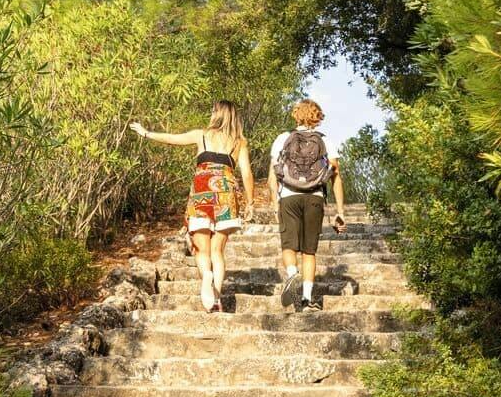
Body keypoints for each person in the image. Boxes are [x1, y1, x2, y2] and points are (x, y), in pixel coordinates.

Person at [130, 101, 254, 312]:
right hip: (225, 192)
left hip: (202, 191)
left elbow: (171, 139)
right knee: (218, 250)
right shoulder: (239, 142)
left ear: (217, 114)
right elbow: (247, 173)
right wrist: (250, 202)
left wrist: (146, 133)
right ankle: (216, 298)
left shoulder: (201, 135)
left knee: (201, 248)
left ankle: (206, 275)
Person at [267, 98, 347, 310]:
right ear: (317, 117)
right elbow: (335, 175)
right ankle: (306, 298)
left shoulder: (283, 138)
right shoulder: (326, 140)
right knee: (309, 251)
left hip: (289, 197)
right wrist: (340, 211)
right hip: (314, 197)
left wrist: (275, 201)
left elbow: (272, 173)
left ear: (296, 115)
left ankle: (293, 274)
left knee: (288, 245)